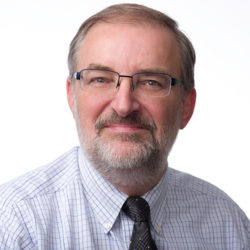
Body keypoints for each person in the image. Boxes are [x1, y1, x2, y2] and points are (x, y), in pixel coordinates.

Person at [0, 3, 249, 249]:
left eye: (151, 83)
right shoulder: (15, 223)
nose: (124, 105)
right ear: (72, 97)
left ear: (186, 106)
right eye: (100, 79)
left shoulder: (228, 224)